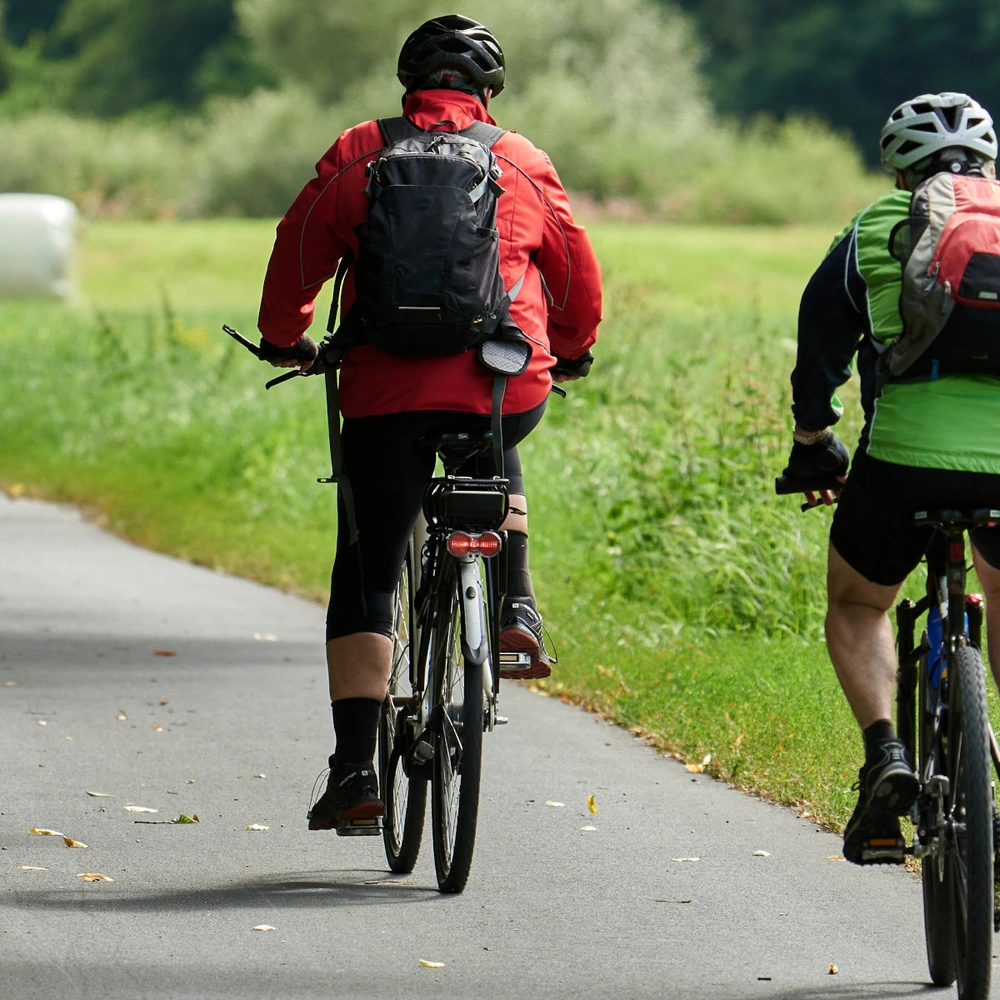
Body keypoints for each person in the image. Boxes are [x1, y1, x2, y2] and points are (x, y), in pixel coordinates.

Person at [255, 15, 602, 832]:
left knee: (369, 568)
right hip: (501, 385)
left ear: (409, 87)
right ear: (488, 93)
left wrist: (284, 336)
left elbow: (298, 244)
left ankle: (354, 773)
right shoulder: (519, 158)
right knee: (495, 432)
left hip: (383, 393)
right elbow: (574, 266)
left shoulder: (362, 148)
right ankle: (515, 603)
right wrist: (576, 348)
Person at [783, 91, 1000, 864]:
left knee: (857, 601)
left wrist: (814, 438)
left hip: (904, 460)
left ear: (897, 165)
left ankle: (887, 754)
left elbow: (821, 346)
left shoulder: (873, 227)